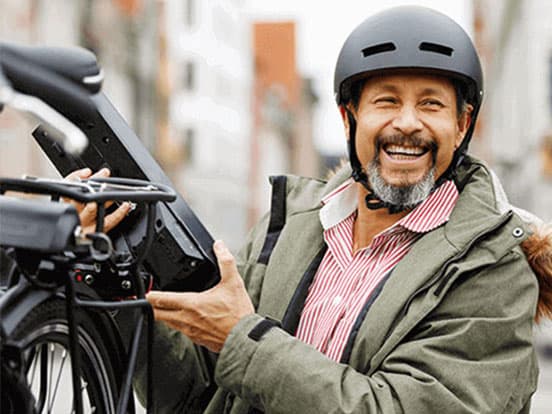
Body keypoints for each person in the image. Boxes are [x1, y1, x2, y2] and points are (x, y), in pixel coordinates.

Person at [74, 5, 552, 413]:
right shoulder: (292, 226)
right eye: (386, 101)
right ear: (350, 116)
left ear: (462, 124)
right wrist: (117, 274)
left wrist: (244, 338)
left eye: (431, 104)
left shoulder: (493, 268)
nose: (407, 124)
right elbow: (195, 396)